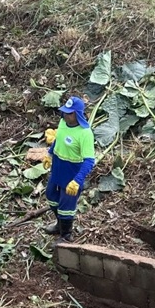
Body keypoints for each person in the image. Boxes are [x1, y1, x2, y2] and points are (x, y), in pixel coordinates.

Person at [42, 96, 95, 241]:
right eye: (64, 112)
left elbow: (89, 160)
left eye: (69, 113)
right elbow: (59, 139)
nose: (66, 115)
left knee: (66, 206)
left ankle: (66, 235)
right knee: (51, 196)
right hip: (58, 168)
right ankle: (59, 225)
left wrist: (78, 180)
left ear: (77, 114)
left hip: (72, 173)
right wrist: (50, 154)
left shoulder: (85, 133)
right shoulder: (63, 122)